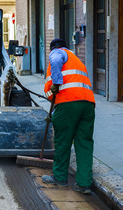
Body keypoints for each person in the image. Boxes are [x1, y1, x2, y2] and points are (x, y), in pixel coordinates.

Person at [41, 38, 95, 195]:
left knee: (63, 141)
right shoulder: (76, 60)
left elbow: (53, 87)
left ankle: (59, 178)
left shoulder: (57, 53)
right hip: (88, 104)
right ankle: (84, 184)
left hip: (68, 104)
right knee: (84, 143)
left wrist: (55, 85)